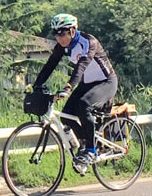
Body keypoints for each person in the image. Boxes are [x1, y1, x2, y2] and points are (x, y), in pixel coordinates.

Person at [32, 13, 117, 173]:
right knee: (65, 116)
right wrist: (36, 85)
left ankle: (91, 150)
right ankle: (85, 143)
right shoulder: (63, 46)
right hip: (87, 84)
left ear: (72, 31)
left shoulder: (89, 42)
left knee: (84, 105)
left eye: (63, 33)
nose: (60, 38)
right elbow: (50, 65)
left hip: (106, 82)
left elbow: (81, 67)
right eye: (56, 34)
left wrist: (68, 87)